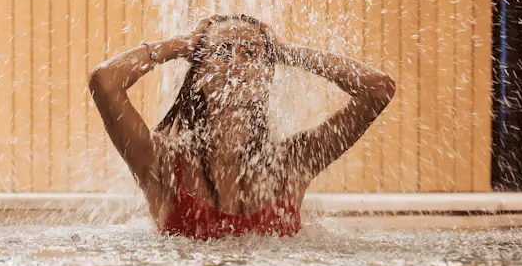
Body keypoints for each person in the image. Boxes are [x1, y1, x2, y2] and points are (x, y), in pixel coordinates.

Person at [88, 14, 395, 239]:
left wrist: (284, 52)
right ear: (199, 78)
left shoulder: (291, 163)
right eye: (221, 53)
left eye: (249, 54)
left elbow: (378, 89)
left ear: (266, 76)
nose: (235, 63)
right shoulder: (164, 166)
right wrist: (184, 46)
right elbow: (105, 81)